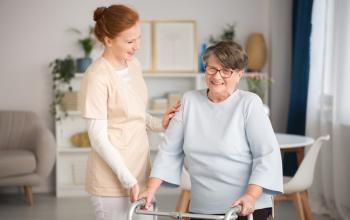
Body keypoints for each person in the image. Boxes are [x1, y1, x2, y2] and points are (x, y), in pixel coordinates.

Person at [139, 41, 283, 220]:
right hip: (203, 207)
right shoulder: (189, 101)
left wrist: (251, 196)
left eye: (226, 71)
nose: (217, 76)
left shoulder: (249, 103)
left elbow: (267, 155)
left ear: (239, 74)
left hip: (246, 206)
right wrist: (150, 190)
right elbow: (169, 150)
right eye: (212, 69)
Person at [78, 4, 179, 220]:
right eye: (130, 41)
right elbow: (98, 138)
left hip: (140, 171)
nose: (137, 46)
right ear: (108, 39)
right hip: (112, 180)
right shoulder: (96, 76)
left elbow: (135, 113)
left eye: (139, 38)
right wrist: (128, 180)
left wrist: (159, 123)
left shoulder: (133, 65)